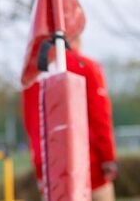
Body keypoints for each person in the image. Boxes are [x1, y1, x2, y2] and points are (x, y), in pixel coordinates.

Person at [22, 39, 118, 201]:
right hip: (91, 171)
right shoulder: (85, 66)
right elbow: (99, 117)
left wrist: (40, 170)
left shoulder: (32, 76)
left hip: (52, 175)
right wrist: (107, 157)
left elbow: (34, 128)